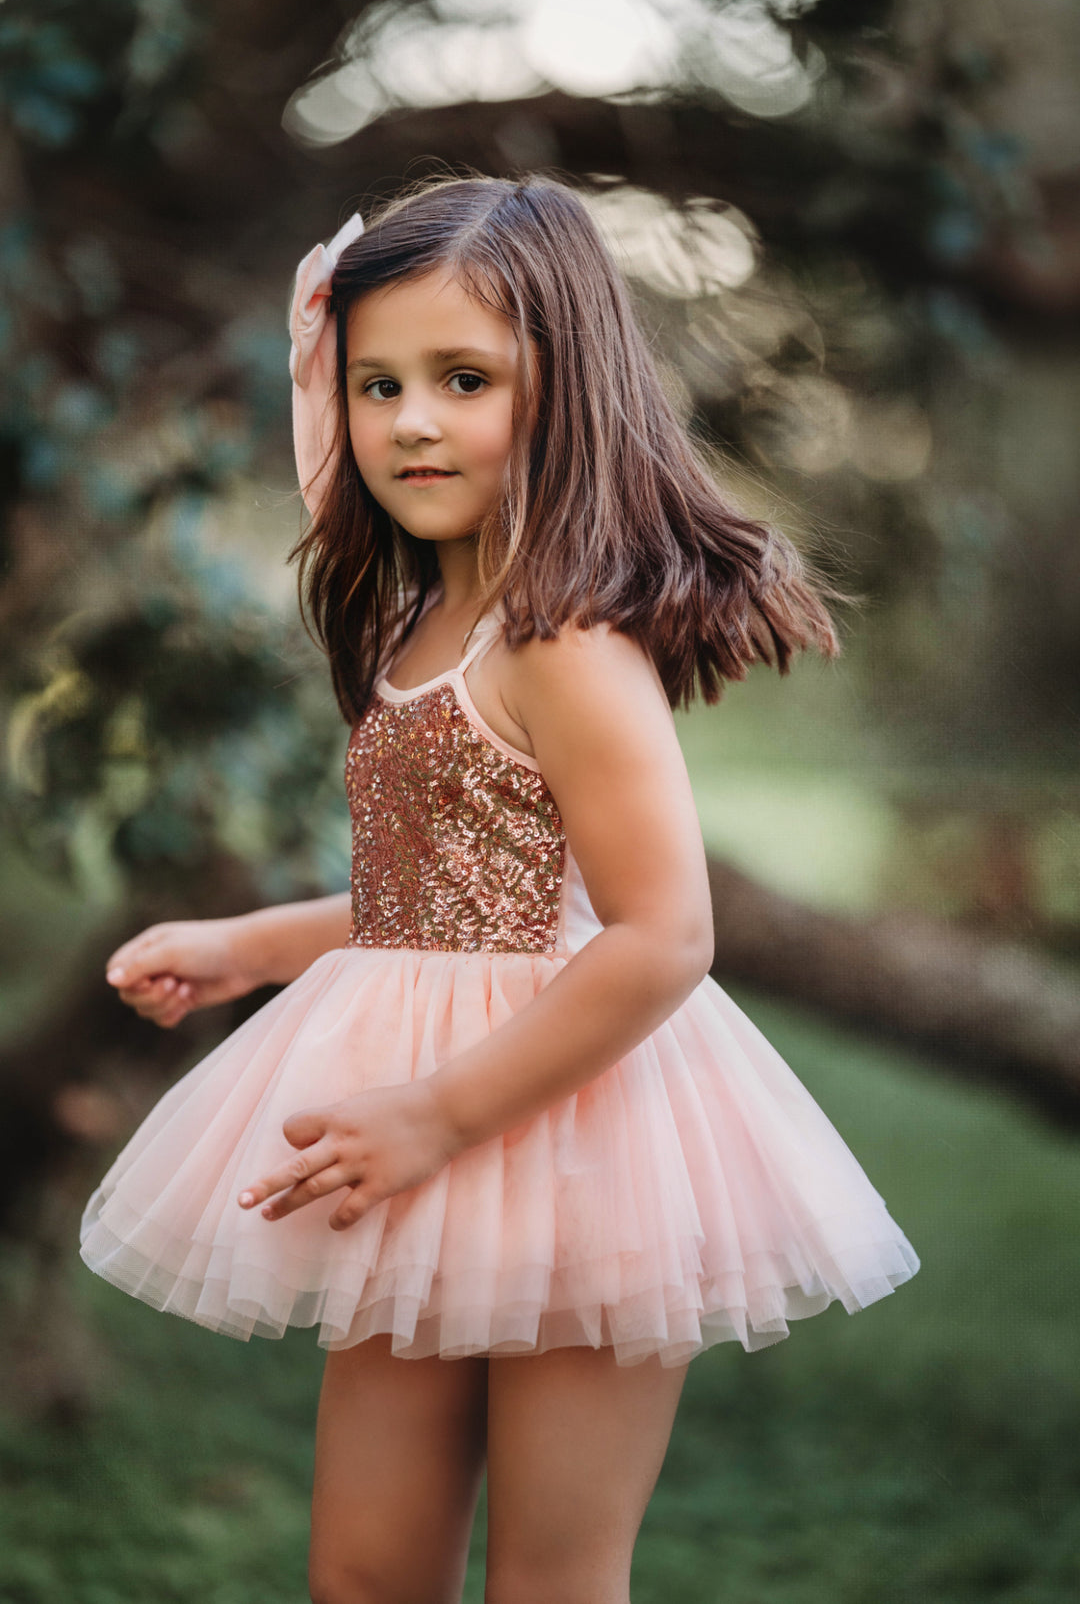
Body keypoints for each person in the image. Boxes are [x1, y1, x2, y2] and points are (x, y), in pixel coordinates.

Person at [81, 172, 920, 1604]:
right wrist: (248, 947)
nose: (409, 419)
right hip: (418, 1144)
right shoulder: (421, 615)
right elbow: (450, 895)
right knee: (363, 1572)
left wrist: (433, 1115)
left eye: (462, 379)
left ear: (562, 390)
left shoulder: (567, 647)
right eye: (376, 384)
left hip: (576, 1142)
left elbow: (664, 936)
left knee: (552, 1581)